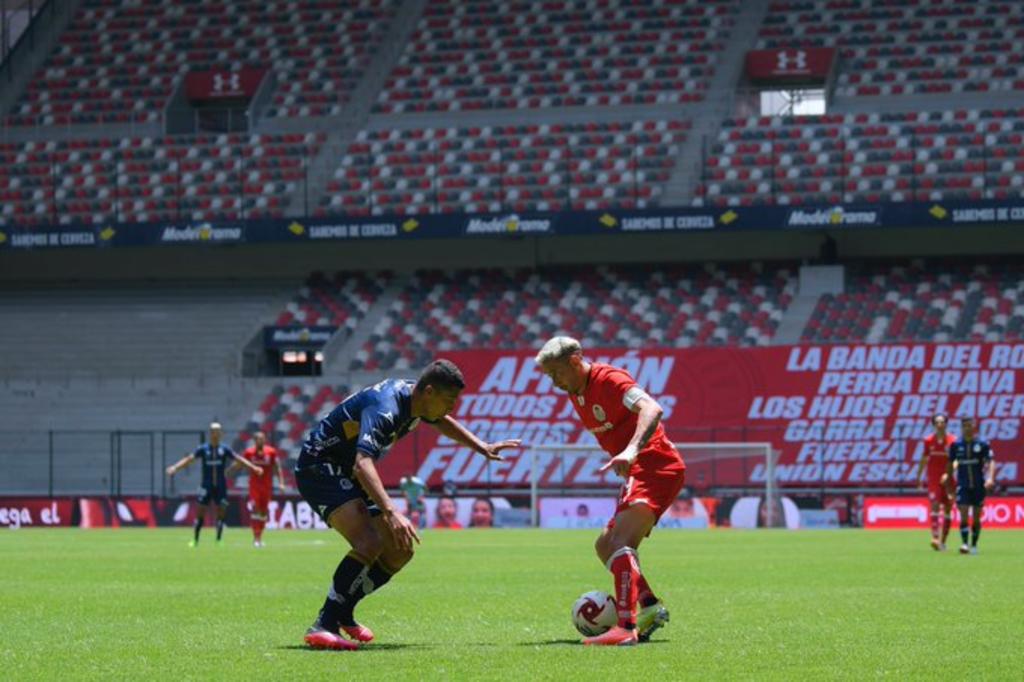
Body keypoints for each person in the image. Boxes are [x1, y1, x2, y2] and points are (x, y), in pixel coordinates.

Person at [296, 359, 520, 650]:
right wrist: (391, 511)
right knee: (369, 541)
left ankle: (343, 612)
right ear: (428, 392)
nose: (452, 407)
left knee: (400, 551)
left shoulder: (417, 401)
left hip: (348, 471)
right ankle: (324, 624)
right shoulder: (386, 408)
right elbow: (363, 463)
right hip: (320, 466)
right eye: (449, 400)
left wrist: (481, 446)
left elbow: (440, 420)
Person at [536, 336, 685, 646]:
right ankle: (649, 606)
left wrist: (631, 450)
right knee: (605, 545)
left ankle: (625, 627)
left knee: (619, 541)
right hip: (639, 470)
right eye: (549, 376)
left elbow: (652, 408)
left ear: (575, 361)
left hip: (654, 466)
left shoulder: (610, 379)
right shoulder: (576, 391)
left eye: (556, 374)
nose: (553, 382)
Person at [166, 422, 263, 547]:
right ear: (210, 433)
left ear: (221, 433)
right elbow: (189, 459)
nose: (215, 433)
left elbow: (239, 459)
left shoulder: (225, 449)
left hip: (221, 487)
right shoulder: (203, 449)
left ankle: (218, 539)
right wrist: (175, 467)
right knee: (200, 512)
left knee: (222, 511)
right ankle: (195, 540)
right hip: (205, 486)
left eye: (218, 431)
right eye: (213, 431)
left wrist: (253, 467)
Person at [942, 417, 995, 555]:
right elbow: (950, 464)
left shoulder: (982, 444)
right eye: (964, 426)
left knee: (976, 518)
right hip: (963, 486)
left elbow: (990, 462)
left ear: (974, 427)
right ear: (962, 428)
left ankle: (974, 545)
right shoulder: (956, 445)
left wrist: (990, 478)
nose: (967, 428)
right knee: (964, 515)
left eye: (969, 425)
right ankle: (964, 544)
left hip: (978, 486)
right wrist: (948, 482)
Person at [229, 431, 288, 547]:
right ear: (254, 441)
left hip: (267, 487)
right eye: (258, 439)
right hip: (254, 486)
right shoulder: (249, 452)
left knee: (263, 512)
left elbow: (277, 467)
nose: (260, 441)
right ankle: (255, 538)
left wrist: (281, 483)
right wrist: (231, 469)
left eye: (262, 439)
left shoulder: (271, 452)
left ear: (265, 440)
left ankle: (259, 536)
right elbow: (240, 462)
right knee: (255, 509)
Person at [915, 413, 956, 551]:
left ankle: (943, 541)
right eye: (937, 422)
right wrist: (919, 476)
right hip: (933, 478)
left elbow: (956, 460)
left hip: (948, 479)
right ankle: (935, 537)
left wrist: (948, 473)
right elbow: (924, 458)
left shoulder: (952, 441)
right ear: (933, 424)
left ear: (946, 424)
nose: (940, 424)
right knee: (935, 505)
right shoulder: (928, 441)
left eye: (942, 422)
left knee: (948, 509)